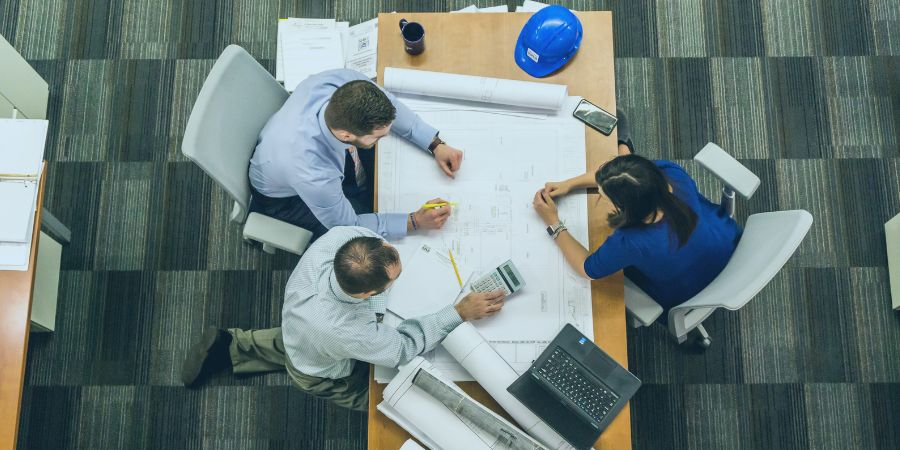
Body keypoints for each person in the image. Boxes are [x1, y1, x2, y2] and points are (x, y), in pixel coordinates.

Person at [180, 226, 505, 410]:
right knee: (382, 399)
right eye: (394, 279)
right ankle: (386, 407)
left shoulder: (343, 240)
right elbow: (402, 349)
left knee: (293, 342)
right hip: (319, 368)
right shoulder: (345, 329)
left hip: (300, 324)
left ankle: (230, 345)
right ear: (367, 294)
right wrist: (457, 312)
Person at [531, 112, 740, 321]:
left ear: (627, 208)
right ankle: (625, 147)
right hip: (727, 244)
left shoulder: (630, 242)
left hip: (688, 291)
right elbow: (633, 176)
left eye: (605, 196)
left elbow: (587, 269)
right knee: (623, 148)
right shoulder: (671, 173)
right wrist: (569, 184)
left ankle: (624, 147)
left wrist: (553, 222)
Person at [249, 68, 465, 241]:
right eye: (378, 137)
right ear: (346, 135)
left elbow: (391, 105)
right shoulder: (313, 174)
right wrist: (414, 221)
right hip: (284, 199)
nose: (385, 137)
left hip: (285, 147)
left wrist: (434, 143)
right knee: (365, 224)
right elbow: (348, 226)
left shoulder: (343, 83)